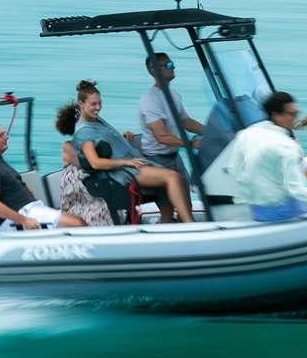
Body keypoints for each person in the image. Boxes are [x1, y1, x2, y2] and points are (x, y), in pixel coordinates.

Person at [57, 79, 196, 224]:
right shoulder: (84, 131)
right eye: (93, 104)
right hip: (125, 172)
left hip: (134, 163)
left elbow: (103, 141)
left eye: (100, 103)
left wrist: (122, 139)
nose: (98, 107)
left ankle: (166, 223)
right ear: (81, 104)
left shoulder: (95, 120)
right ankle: (189, 223)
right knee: (173, 177)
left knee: (165, 185)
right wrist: (127, 162)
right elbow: (95, 163)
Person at [226, 91, 307, 222]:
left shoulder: (245, 134)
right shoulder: (287, 146)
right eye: (292, 114)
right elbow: (296, 189)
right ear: (276, 115)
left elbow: (233, 169)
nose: (295, 118)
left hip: (258, 210)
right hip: (285, 211)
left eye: (297, 113)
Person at [0, 121, 84, 230]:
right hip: (19, 218)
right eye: (0, 135)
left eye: (5, 133)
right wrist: (24, 220)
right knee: (76, 224)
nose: (6, 137)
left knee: (83, 218)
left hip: (32, 209)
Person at [137, 52, 205, 174]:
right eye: (168, 65)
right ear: (154, 70)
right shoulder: (150, 100)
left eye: (172, 64)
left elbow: (186, 122)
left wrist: (210, 132)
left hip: (174, 154)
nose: (173, 67)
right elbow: (162, 137)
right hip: (157, 159)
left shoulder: (173, 94)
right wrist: (191, 143)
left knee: (187, 189)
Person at [56, 140, 114, 227]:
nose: (62, 156)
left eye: (65, 152)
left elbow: (66, 202)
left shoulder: (70, 175)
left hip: (86, 220)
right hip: (109, 216)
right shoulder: (106, 169)